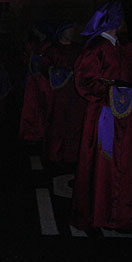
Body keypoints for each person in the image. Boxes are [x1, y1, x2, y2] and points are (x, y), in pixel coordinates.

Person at [70, 2, 132, 233]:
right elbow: (84, 81)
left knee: (122, 163)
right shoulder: (97, 47)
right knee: (101, 164)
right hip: (103, 115)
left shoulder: (119, 47)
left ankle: (117, 216)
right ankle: (96, 215)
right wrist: (110, 91)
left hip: (123, 115)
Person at [41, 22, 86, 165]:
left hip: (76, 92)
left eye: (73, 29)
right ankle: (55, 154)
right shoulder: (53, 49)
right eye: (69, 29)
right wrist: (61, 74)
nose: (72, 32)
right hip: (59, 93)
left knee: (75, 122)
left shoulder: (78, 48)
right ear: (62, 31)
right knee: (58, 122)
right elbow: (44, 68)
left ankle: (73, 155)